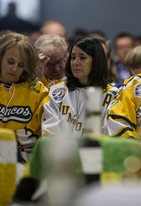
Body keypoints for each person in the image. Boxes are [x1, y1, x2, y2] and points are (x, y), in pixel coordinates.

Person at [41, 37, 119, 138]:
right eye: (73, 57)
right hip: (61, 152)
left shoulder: (112, 95)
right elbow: (49, 129)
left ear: (96, 61)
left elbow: (110, 134)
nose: (75, 63)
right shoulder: (57, 91)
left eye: (82, 58)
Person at [0, 32, 48, 162]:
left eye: (21, 65)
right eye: (10, 62)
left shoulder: (38, 92)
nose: (14, 68)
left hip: (21, 167)